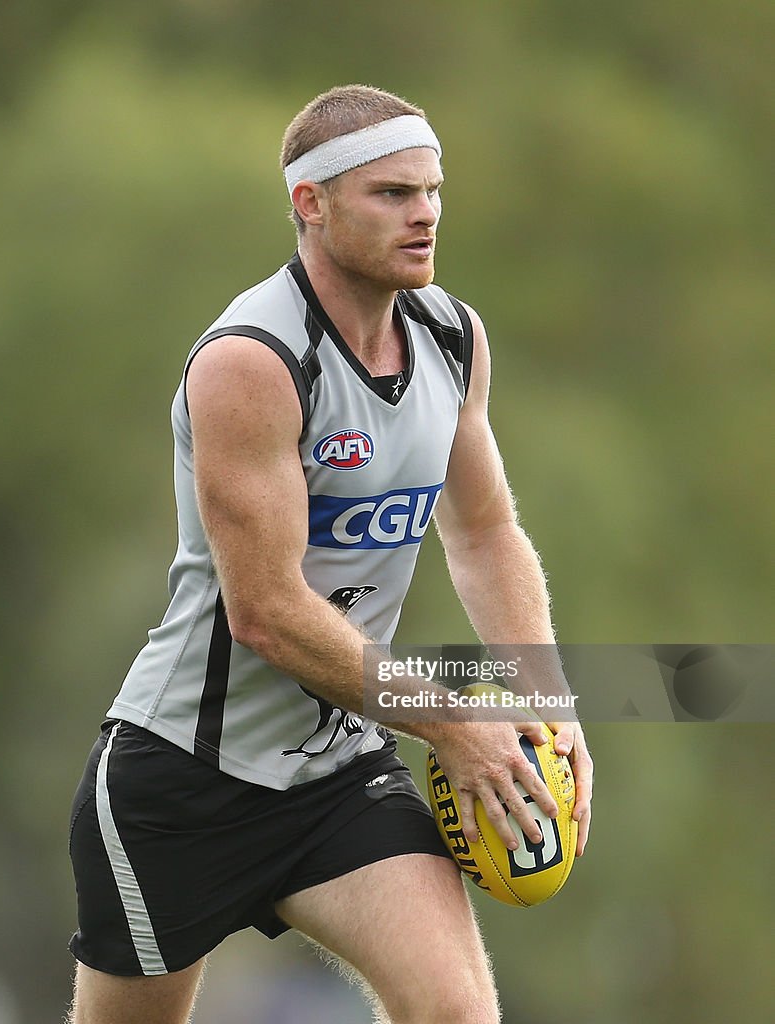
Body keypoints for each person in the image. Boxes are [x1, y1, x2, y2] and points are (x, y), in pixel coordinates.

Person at [66, 84, 593, 1024]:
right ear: (310, 203)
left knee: (457, 1011)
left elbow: (483, 532)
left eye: (431, 191)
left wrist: (544, 698)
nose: (424, 213)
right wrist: (452, 724)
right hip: (183, 776)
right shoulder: (251, 362)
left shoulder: (451, 337)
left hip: (337, 768)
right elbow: (266, 613)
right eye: (391, 194)